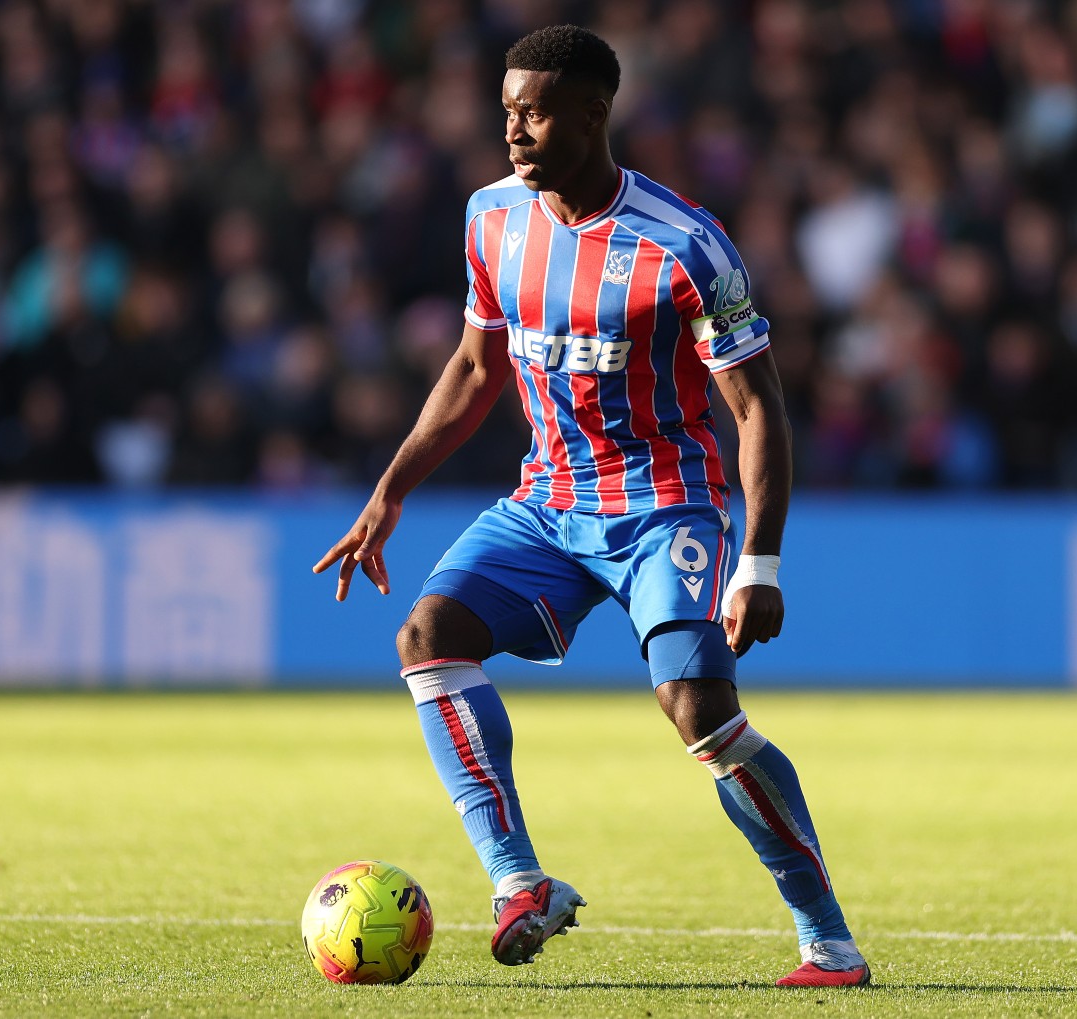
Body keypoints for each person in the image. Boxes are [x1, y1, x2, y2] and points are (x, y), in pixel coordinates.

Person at [313, 24, 870, 989]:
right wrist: (390, 489)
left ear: (592, 112)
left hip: (667, 508)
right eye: (505, 112)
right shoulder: (493, 218)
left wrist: (762, 561)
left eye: (532, 111)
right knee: (428, 635)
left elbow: (757, 407)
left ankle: (827, 939)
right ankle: (520, 882)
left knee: (698, 707)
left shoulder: (687, 246)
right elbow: (478, 367)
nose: (514, 131)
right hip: (548, 504)